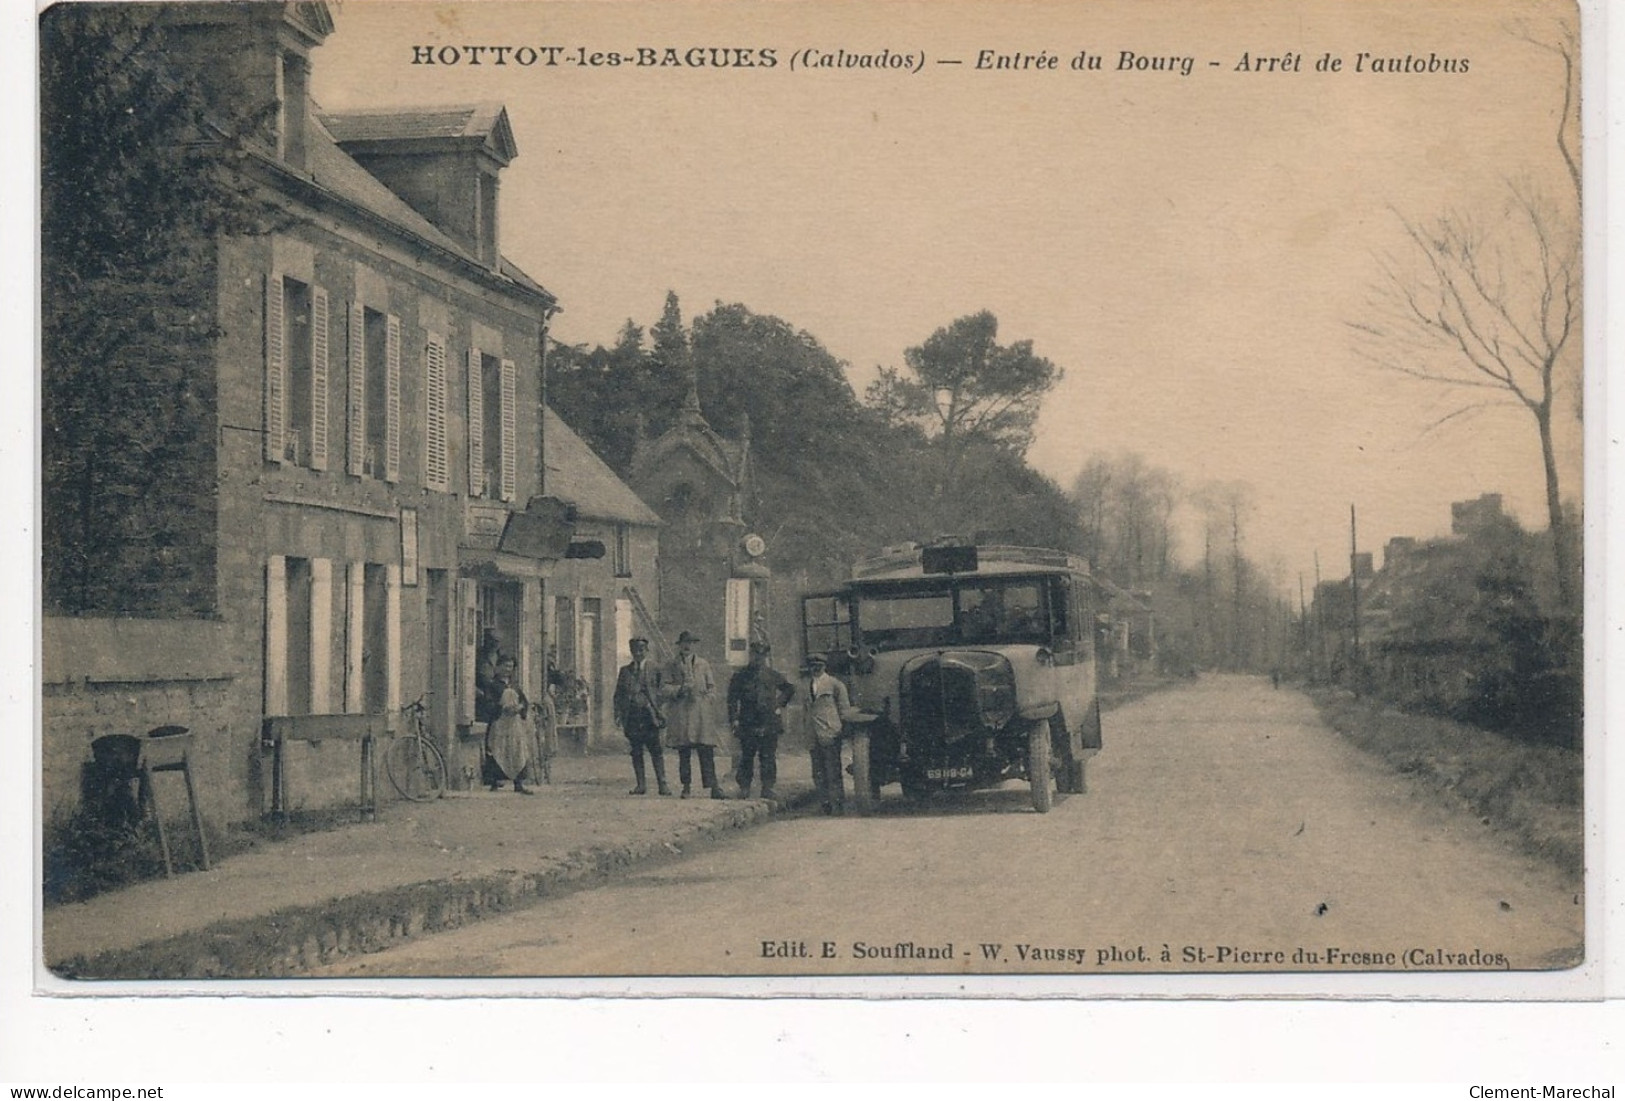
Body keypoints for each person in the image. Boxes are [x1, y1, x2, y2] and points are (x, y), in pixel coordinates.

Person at [727, 640, 794, 800]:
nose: (759, 658)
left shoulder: (772, 675)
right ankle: (744, 788)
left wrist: (779, 704)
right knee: (747, 756)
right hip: (748, 722)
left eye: (762, 655)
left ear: (765, 656)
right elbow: (731, 699)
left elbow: (789, 689)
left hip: (769, 722)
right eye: (756, 654)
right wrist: (734, 719)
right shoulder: (740, 676)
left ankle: (767, 788)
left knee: (768, 756)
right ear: (751, 655)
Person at [662, 629, 724, 800]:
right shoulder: (671, 665)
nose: (687, 646)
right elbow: (665, 688)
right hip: (681, 713)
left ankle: (713, 787)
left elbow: (712, 687)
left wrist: (708, 698)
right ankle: (686, 786)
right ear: (679, 645)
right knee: (684, 751)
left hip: (700, 713)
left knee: (706, 750)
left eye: (690, 643)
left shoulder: (703, 664)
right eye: (684, 643)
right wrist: (679, 690)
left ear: (694, 646)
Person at [612, 637, 671, 796]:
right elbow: (618, 694)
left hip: (649, 715)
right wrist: (618, 714)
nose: (638, 653)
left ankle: (663, 784)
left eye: (641, 650)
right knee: (636, 751)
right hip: (632, 716)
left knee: (656, 750)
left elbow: (663, 691)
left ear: (647, 651)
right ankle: (641, 785)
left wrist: (657, 708)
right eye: (635, 650)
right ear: (631, 652)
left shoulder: (655, 669)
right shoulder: (625, 671)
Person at [799, 652, 856, 815]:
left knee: (832, 771)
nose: (816, 668)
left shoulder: (835, 684)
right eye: (813, 666)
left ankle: (838, 804)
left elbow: (844, 709)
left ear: (825, 666)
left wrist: (843, 730)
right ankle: (824, 804)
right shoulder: (806, 685)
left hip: (830, 732)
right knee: (817, 772)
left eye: (819, 666)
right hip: (812, 733)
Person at [485, 655, 536, 794]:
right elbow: (488, 703)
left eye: (511, 667)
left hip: (514, 725)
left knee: (517, 751)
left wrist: (520, 708)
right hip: (499, 724)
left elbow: (524, 702)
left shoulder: (515, 685)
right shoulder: (493, 685)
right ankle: (495, 781)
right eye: (505, 666)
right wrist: (502, 708)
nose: (508, 669)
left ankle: (518, 783)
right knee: (498, 750)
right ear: (499, 667)